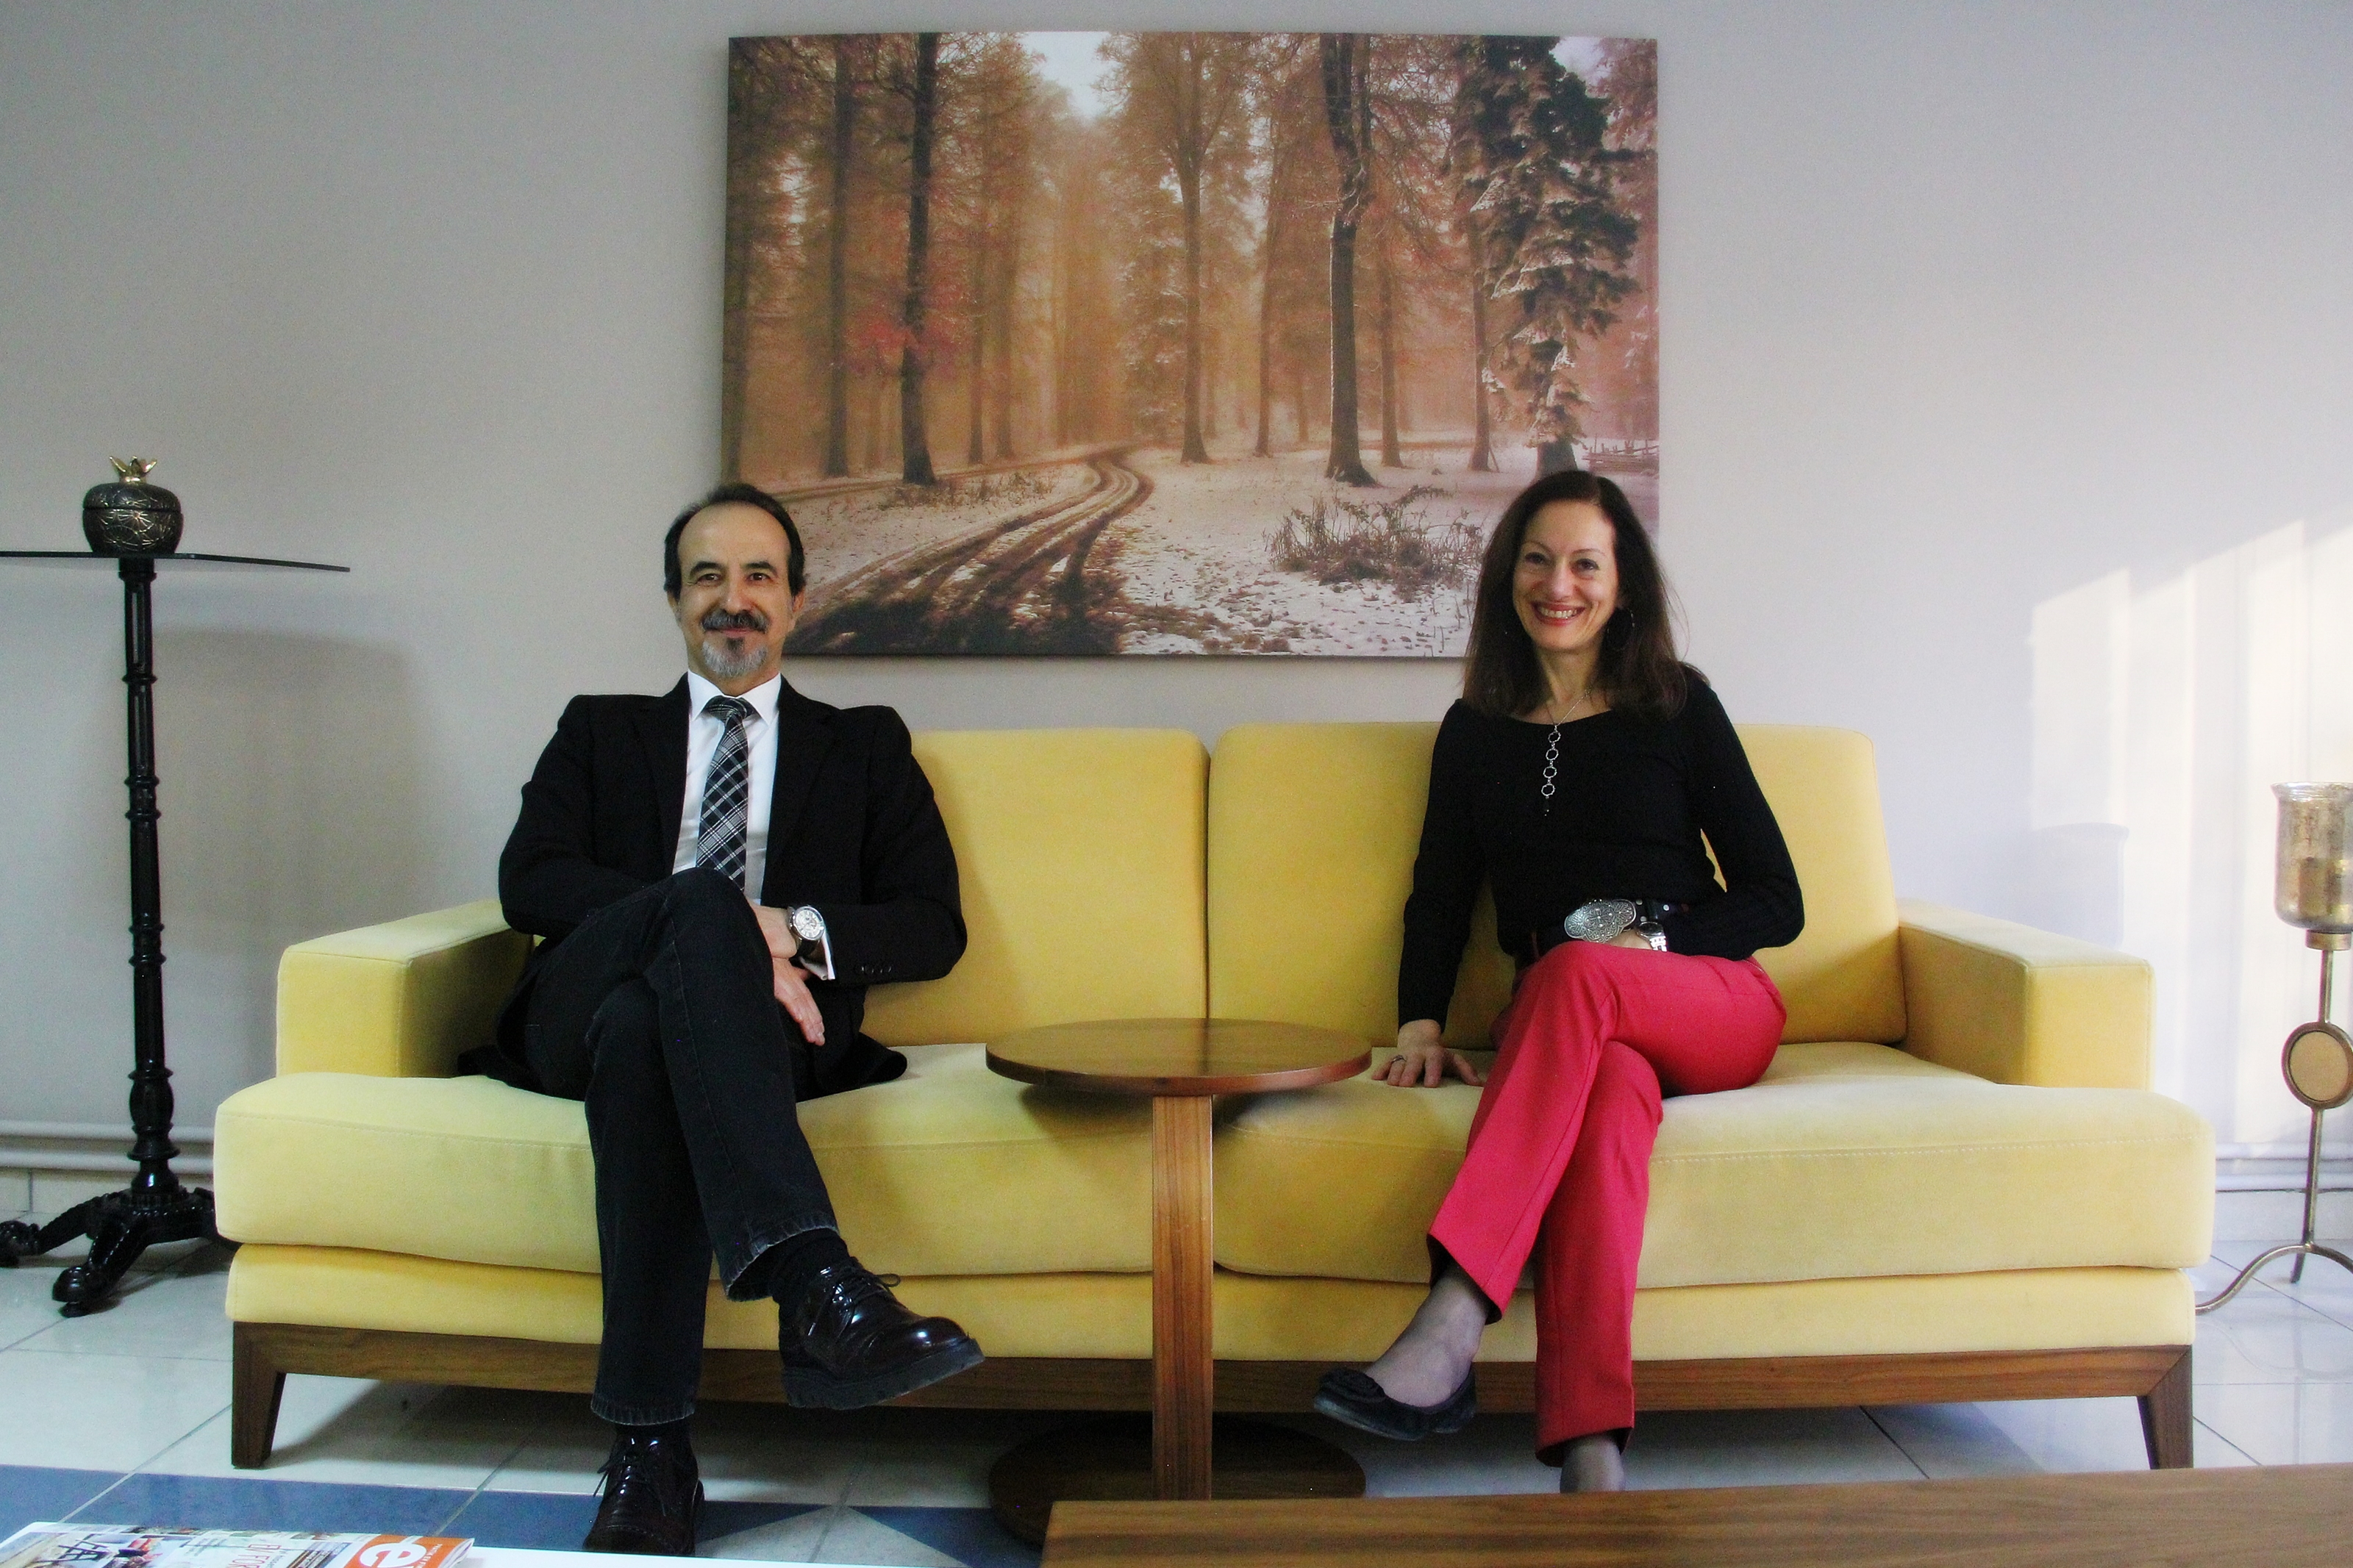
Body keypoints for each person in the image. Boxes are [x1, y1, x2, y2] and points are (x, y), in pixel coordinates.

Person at [468, 483, 982, 1554]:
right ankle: (812, 1279)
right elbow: (531, 879)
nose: (732, 598)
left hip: (745, 1039)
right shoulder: (600, 729)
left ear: (796, 601)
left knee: (648, 1036)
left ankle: (649, 1452)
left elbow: (932, 926)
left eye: (758, 576)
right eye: (708, 576)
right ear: (674, 600)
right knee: (691, 906)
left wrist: (783, 931)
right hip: (572, 1013)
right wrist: (713, 923)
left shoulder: (864, 746)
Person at [1312, 469, 1802, 1492]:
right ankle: (1591, 1455)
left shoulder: (1678, 704)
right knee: (1607, 1096)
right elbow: (1440, 892)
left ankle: (1455, 1312)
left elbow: (1777, 897)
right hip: (1569, 1020)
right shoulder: (1474, 729)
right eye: (1538, 560)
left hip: (1707, 999)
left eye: (1586, 563)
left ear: (1623, 585)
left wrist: (1646, 943)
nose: (1559, 585)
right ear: (1509, 576)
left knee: (1579, 972)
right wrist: (1418, 1021)